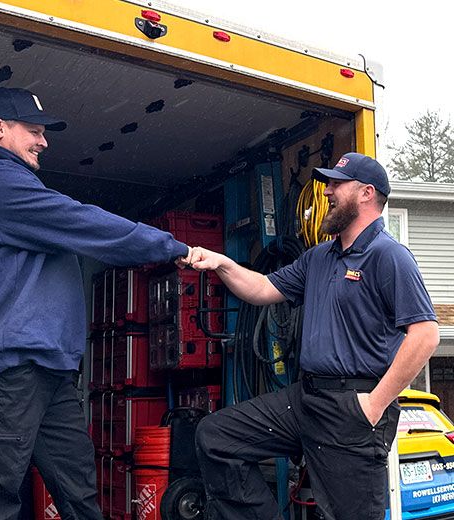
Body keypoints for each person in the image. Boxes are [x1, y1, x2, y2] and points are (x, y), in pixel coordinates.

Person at [0, 87, 192, 520]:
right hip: (11, 368)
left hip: (45, 369)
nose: (44, 142)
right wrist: (174, 247)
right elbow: (82, 222)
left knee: (78, 488)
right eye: (34, 131)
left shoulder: (10, 182)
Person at [187, 152, 439, 520]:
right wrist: (222, 263)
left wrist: (374, 405)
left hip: (353, 408)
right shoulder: (318, 257)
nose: (327, 192)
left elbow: (425, 335)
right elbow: (262, 288)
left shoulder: (389, 256)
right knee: (216, 438)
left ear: (367, 193)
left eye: (337, 184)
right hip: (306, 399)